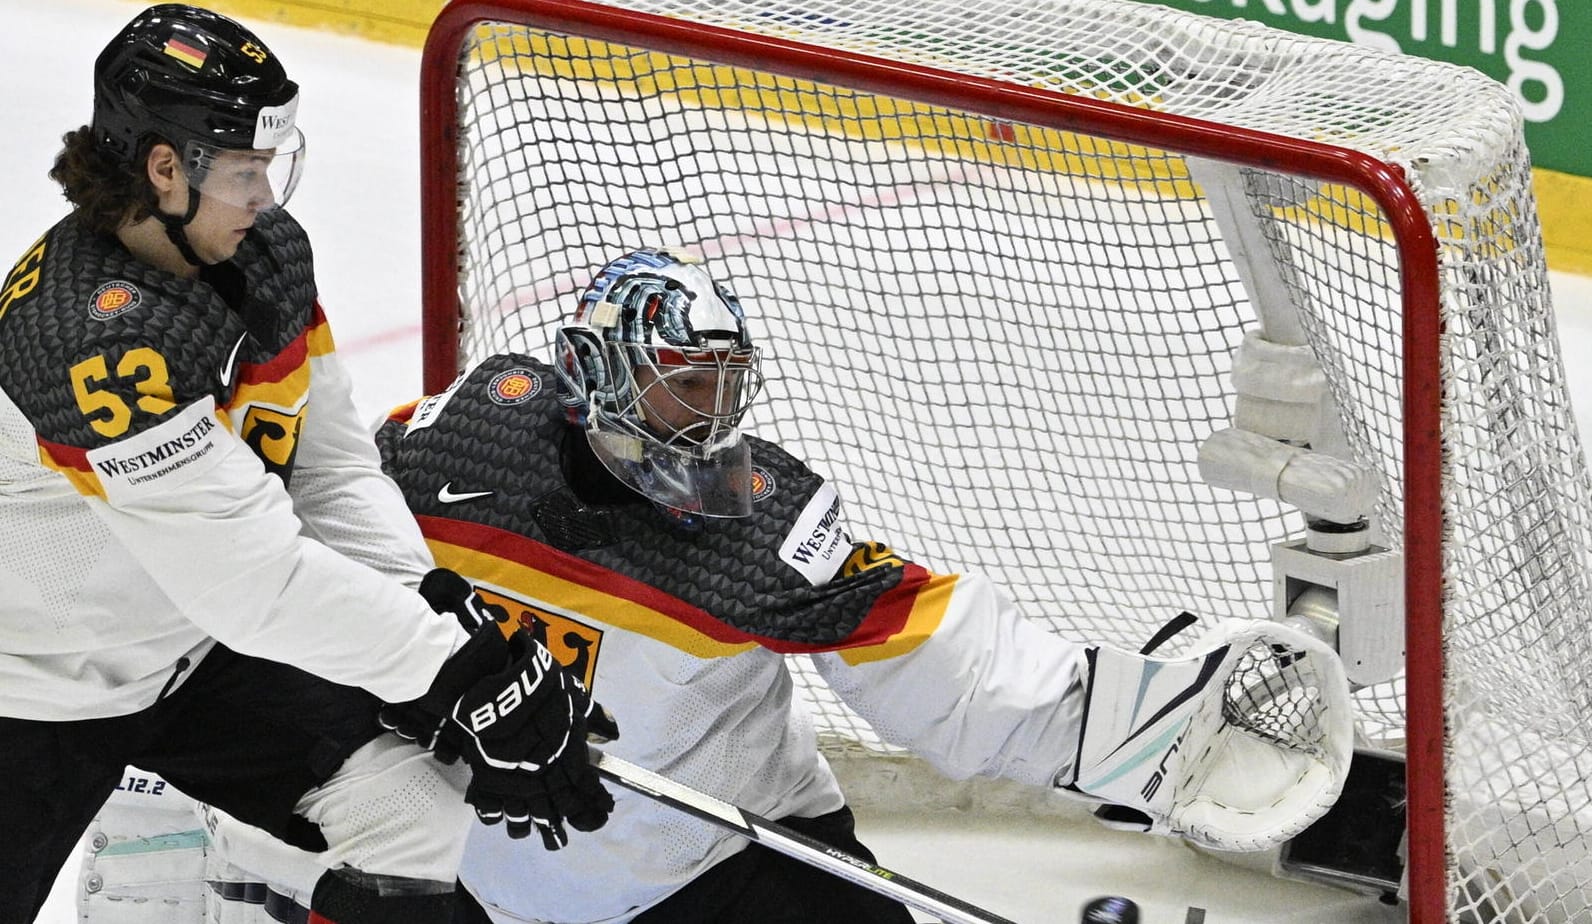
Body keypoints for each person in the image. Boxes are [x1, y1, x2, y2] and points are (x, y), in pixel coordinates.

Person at [367, 247, 1357, 923]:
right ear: (588, 375)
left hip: (732, 869)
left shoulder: (752, 522)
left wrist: (1142, 734)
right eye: (682, 383)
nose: (710, 420)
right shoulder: (463, 437)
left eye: (724, 384)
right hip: (501, 875)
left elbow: (943, 662)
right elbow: (328, 544)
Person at [0, 6, 611, 923]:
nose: (265, 195)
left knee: (409, 811)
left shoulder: (263, 252)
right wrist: (456, 672)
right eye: (245, 170)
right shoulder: (93, 343)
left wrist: (431, 605)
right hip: (30, 690)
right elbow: (252, 582)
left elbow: (324, 466)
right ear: (165, 168)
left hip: (195, 654)